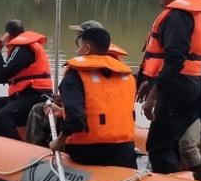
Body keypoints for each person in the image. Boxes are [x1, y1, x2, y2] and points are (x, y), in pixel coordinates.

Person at [137, 0, 201, 177]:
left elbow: (174, 60)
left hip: (177, 87)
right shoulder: (192, 14)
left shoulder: (178, 16)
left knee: (158, 146)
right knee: (170, 141)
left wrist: (153, 95)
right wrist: (146, 80)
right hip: (186, 85)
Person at [48, 26, 138, 169]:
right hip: (124, 151)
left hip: (88, 151)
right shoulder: (126, 76)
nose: (77, 51)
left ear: (86, 49)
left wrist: (58, 142)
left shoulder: (75, 75)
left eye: (79, 47)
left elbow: (76, 120)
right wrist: (61, 110)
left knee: (50, 123)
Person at [0, 19, 53, 139]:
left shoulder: (23, 48)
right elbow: (7, 76)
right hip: (25, 95)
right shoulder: (22, 48)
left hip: (36, 96)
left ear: (7, 35)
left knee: (1, 117)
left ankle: (19, 150)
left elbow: (2, 74)